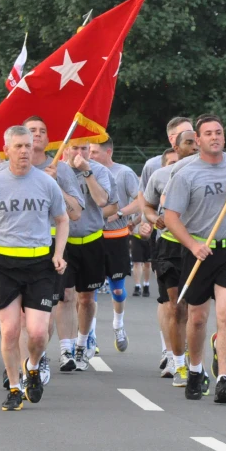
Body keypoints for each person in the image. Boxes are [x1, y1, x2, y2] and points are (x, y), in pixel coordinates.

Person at [0, 125, 68, 411]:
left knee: (37, 333)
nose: (25, 151)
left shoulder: (46, 183)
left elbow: (62, 219)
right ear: (7, 149)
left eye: (29, 146)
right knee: (10, 331)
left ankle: (32, 366)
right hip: (5, 265)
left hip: (39, 264)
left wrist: (58, 253)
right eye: (19, 146)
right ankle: (14, 386)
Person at [163, 115, 226, 404]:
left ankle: (224, 380)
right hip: (198, 252)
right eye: (208, 133)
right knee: (196, 318)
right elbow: (170, 217)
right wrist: (193, 245)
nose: (215, 137)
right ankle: (195, 370)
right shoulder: (185, 173)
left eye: (219, 132)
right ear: (198, 139)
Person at [20, 116, 84, 377]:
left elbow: (77, 212)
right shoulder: (9, 168)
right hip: (15, 248)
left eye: (42, 131)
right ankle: (24, 365)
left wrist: (55, 184)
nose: (37, 135)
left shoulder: (61, 168)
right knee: (19, 316)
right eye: (31, 131)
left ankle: (40, 355)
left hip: (51, 246)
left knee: (45, 312)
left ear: (48, 139)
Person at [143, 132, 198, 385]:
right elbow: (147, 206)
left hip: (199, 246)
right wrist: (155, 220)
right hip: (170, 246)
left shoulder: (208, 172)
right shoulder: (160, 175)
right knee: (176, 307)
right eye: (188, 141)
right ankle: (179, 364)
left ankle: (197, 357)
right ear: (175, 146)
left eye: (196, 141)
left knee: (198, 310)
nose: (194, 145)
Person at [61, 142, 117, 371]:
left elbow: (104, 201)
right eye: (74, 148)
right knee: (65, 296)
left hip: (91, 239)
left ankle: (83, 343)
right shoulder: (57, 171)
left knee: (85, 298)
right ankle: (66, 348)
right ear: (64, 149)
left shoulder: (99, 170)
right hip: (64, 241)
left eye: (84, 148)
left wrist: (87, 171)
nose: (79, 153)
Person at [90, 137, 140, 352]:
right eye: (88, 151)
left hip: (117, 236)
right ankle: (90, 335)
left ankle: (118, 325)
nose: (90, 156)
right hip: (92, 237)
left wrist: (119, 213)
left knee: (117, 289)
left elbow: (140, 200)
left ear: (108, 151)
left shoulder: (124, 172)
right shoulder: (86, 173)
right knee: (88, 289)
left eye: (94, 152)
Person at [138, 117, 194, 297]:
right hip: (166, 240)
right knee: (169, 301)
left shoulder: (206, 166)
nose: (193, 140)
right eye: (186, 136)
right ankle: (166, 326)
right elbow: (146, 201)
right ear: (173, 139)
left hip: (197, 239)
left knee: (194, 302)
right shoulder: (153, 166)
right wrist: (147, 221)